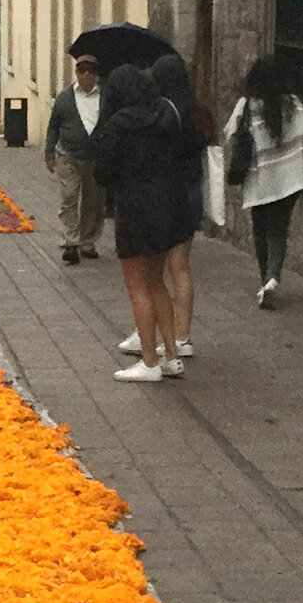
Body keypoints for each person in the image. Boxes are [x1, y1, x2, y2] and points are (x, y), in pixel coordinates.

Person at [90, 64, 193, 381]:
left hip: (135, 208)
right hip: (169, 205)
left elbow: (102, 173)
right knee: (157, 280)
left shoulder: (118, 125)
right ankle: (171, 355)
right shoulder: (166, 115)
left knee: (138, 287)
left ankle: (149, 361)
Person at [225, 53, 303, 311]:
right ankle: (272, 278)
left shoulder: (247, 106)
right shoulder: (292, 104)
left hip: (260, 180)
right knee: (279, 230)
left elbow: (230, 133)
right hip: (288, 180)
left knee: (260, 229)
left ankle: (265, 280)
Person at [44, 55, 105, 265]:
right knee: (69, 196)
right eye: (81, 71)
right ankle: (71, 241)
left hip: (95, 157)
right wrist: (49, 153)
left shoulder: (104, 97)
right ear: (77, 73)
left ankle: (87, 241)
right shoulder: (65, 98)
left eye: (90, 71)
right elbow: (53, 126)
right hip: (68, 154)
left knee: (92, 201)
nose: (85, 75)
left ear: (96, 75)